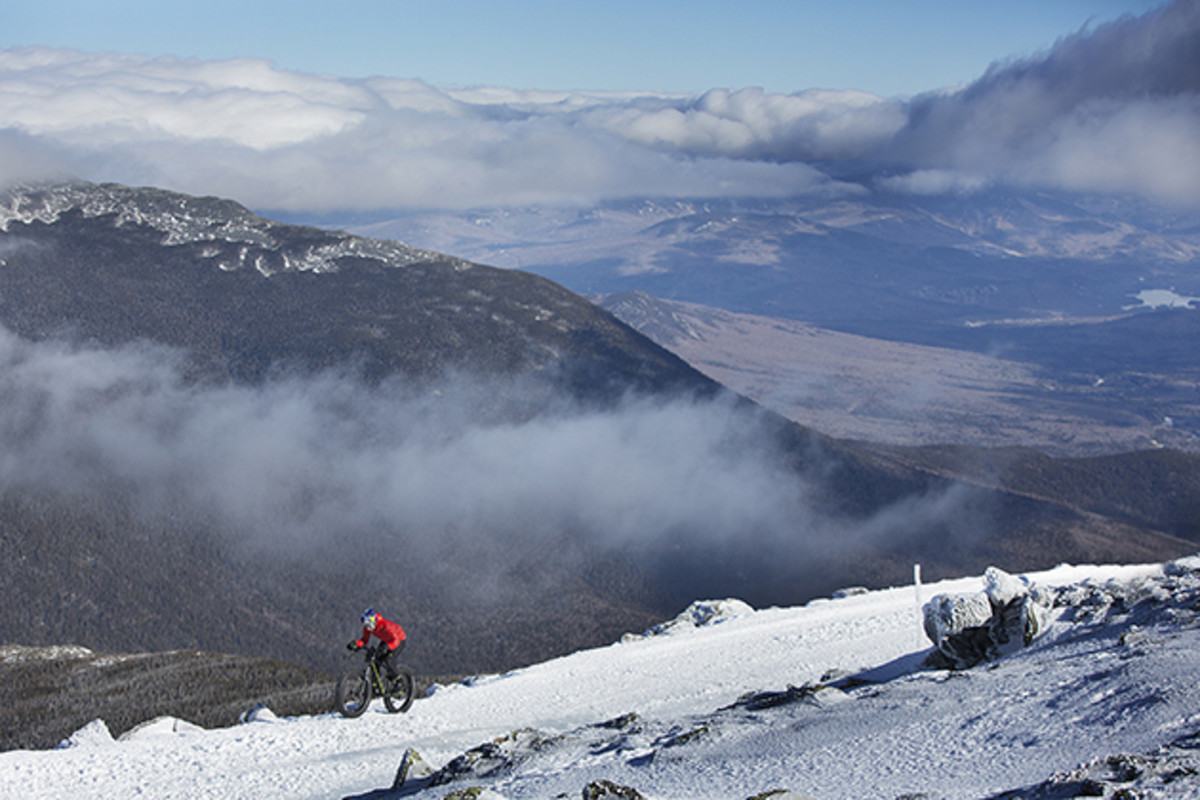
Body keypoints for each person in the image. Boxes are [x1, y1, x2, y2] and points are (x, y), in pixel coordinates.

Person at [347, 607, 407, 680]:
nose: (368, 628)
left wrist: (387, 646)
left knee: (388, 659)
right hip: (386, 640)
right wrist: (356, 643)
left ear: (374, 620)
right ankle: (376, 682)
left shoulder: (386, 626)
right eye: (366, 625)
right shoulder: (368, 628)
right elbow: (364, 640)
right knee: (376, 659)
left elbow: (396, 641)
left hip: (399, 640)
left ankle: (399, 680)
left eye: (369, 625)